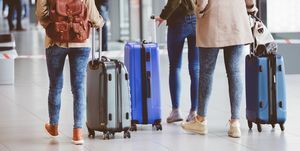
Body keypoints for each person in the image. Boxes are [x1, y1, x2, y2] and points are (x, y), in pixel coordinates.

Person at [181, 0, 258, 138]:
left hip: (212, 19)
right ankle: (235, 123)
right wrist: (251, 8)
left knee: (206, 72)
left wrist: (198, 10)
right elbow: (250, 2)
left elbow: (202, 3)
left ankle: (201, 120)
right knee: (235, 72)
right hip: (236, 19)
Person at [36, 0, 104, 145]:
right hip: (80, 40)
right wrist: (99, 22)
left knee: (55, 86)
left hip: (55, 41)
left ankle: (53, 126)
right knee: (78, 87)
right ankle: (77, 133)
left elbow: (41, 13)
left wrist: (52, 25)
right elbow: (93, 16)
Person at [155, 0, 199, 123]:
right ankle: (194, 112)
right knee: (195, 68)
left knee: (175, 67)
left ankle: (175, 111)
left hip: (178, 20)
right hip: (195, 19)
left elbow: (174, 1)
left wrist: (163, 16)